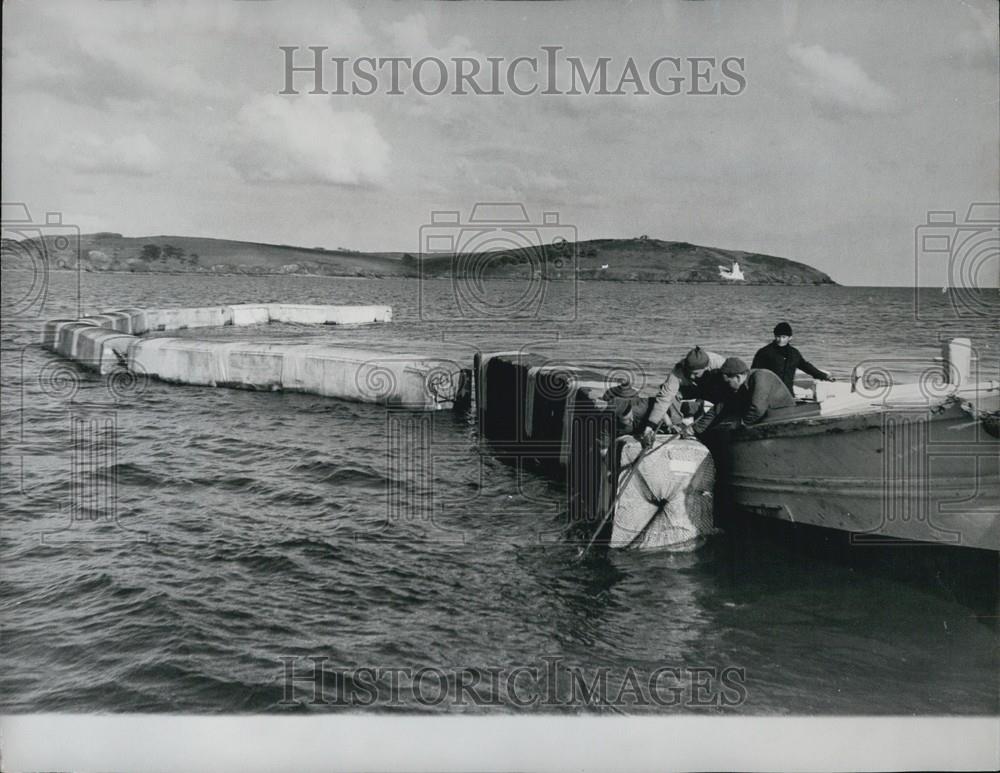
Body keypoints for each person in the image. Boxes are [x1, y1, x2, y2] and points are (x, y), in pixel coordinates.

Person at [641, 346, 727, 445]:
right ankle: (676, 426)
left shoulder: (719, 363)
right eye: (688, 372)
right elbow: (665, 397)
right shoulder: (678, 370)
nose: (691, 376)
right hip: (693, 389)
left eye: (695, 373)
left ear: (706, 367)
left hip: (714, 389)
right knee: (671, 394)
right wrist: (649, 426)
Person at [695, 357, 796, 432]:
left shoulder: (761, 376)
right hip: (766, 417)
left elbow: (757, 409)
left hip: (785, 418)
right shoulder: (741, 385)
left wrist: (737, 425)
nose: (727, 387)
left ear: (738, 377)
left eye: (728, 382)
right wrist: (695, 428)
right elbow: (720, 408)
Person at [751, 322, 834, 395]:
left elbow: (806, 367)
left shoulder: (794, 353)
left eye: (784, 337)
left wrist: (824, 376)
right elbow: (754, 372)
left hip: (788, 393)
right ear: (774, 336)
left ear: (790, 338)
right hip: (768, 393)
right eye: (778, 336)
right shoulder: (764, 352)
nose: (780, 340)